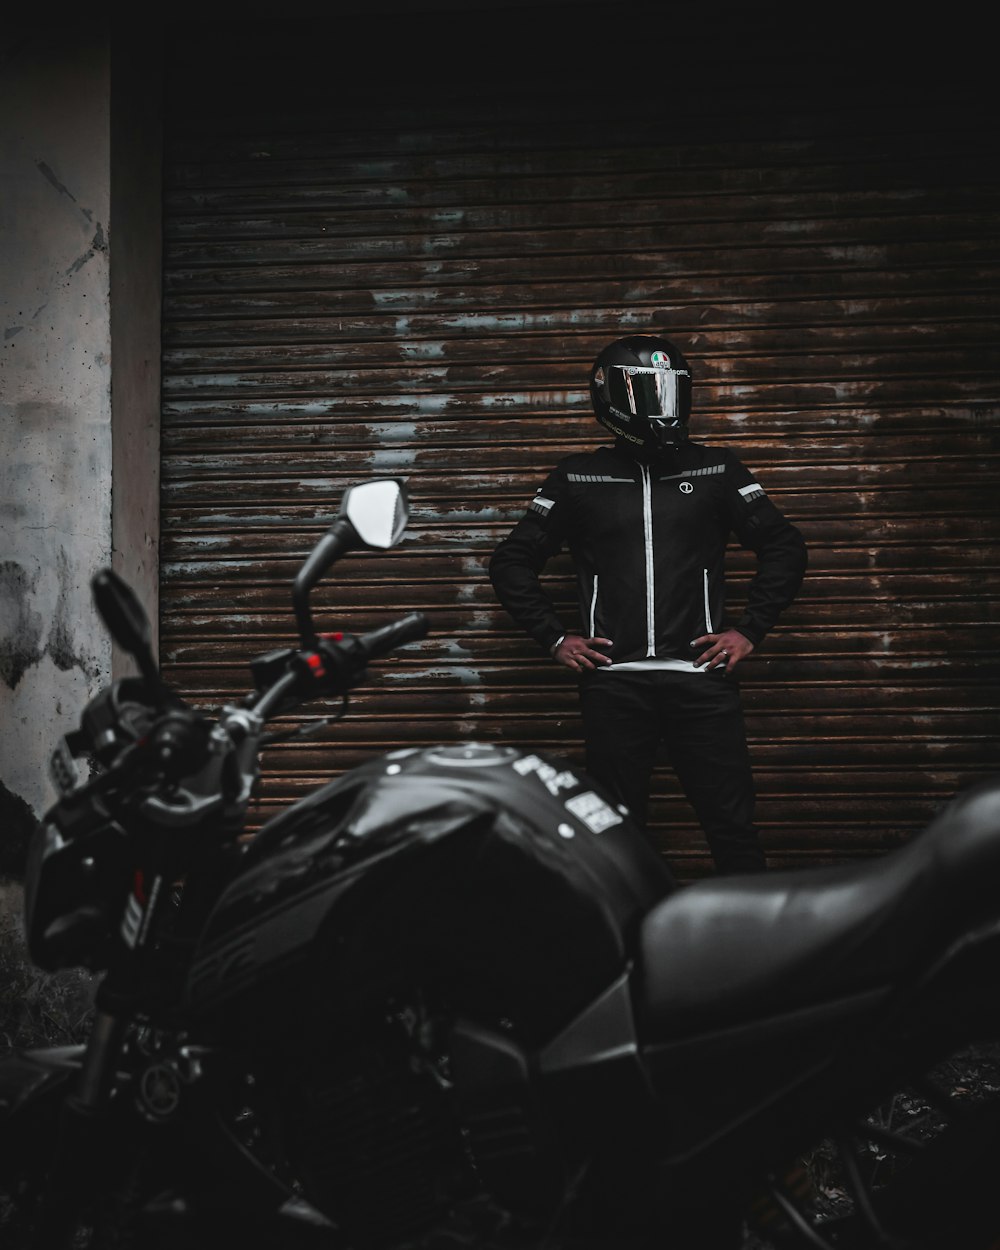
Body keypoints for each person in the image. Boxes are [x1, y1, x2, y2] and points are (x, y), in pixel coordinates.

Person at [488, 334, 808, 875]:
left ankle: (759, 948)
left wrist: (750, 630)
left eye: (668, 389)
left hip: (700, 680)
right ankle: (634, 948)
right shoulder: (577, 477)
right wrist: (554, 637)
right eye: (642, 391)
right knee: (616, 831)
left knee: (731, 827)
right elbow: (512, 561)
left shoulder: (717, 470)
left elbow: (784, 546)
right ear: (610, 396)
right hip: (616, 684)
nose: (659, 404)